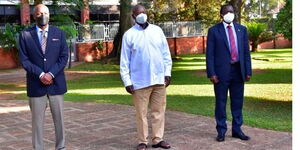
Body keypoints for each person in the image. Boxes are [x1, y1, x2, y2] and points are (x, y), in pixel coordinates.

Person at [120, 4, 172, 150]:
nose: (141, 15)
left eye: (143, 12)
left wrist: (167, 73)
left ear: (147, 13)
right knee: (141, 113)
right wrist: (127, 81)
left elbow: (166, 54)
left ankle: (157, 139)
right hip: (139, 81)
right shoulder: (129, 35)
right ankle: (142, 141)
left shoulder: (157, 31)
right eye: (138, 13)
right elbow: (124, 61)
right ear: (133, 16)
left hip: (159, 79)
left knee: (159, 111)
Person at [19, 4, 68, 150]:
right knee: (37, 122)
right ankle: (38, 147)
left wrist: (51, 74)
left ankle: (61, 147)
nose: (43, 16)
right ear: (34, 16)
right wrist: (41, 74)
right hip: (36, 84)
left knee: (59, 120)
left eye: (46, 13)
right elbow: (24, 60)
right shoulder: (25, 35)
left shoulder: (59, 33)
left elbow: (63, 57)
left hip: (56, 84)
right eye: (40, 13)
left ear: (49, 15)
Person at [206, 4, 252, 142]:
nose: (229, 14)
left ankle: (237, 130)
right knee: (221, 103)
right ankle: (221, 131)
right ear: (221, 14)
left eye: (231, 11)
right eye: (226, 12)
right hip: (221, 73)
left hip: (238, 71)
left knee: (237, 102)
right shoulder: (214, 31)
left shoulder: (242, 30)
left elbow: (246, 52)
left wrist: (248, 71)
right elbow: (210, 54)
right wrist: (211, 73)